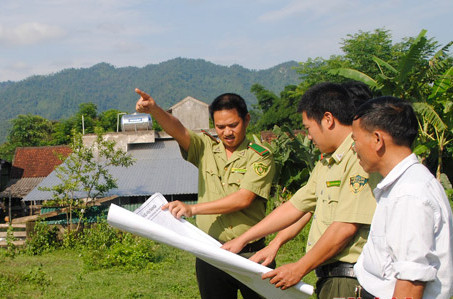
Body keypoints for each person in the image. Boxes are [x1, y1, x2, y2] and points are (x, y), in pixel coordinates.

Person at [222, 82, 378, 299]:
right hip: (330, 276)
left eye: (308, 128)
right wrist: (244, 239)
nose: (309, 137)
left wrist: (299, 268)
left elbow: (344, 228)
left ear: (328, 119)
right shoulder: (327, 163)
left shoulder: (357, 158)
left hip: (350, 279)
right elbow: (295, 206)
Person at [135, 89, 275, 299]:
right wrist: (155, 110)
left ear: (246, 120)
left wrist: (193, 209)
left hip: (252, 254)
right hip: (211, 253)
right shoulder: (205, 148)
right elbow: (178, 129)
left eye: (233, 125)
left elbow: (243, 198)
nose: (227, 132)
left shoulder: (260, 156)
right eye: (220, 127)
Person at [351, 96, 453, 299]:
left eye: (355, 140)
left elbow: (410, 283)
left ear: (377, 140)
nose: (354, 149)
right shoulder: (400, 186)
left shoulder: (409, 194)